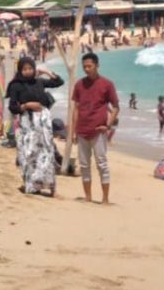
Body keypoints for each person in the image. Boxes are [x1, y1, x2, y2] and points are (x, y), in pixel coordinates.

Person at [7, 56, 64, 196]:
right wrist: (26, 106)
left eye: (30, 68)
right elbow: (12, 107)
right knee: (28, 153)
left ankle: (47, 185)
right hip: (27, 122)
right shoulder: (16, 85)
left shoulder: (39, 82)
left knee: (46, 152)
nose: (27, 71)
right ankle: (30, 185)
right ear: (20, 70)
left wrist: (46, 72)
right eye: (24, 69)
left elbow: (58, 82)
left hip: (43, 122)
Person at [72, 53, 119, 204]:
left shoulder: (107, 84)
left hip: (98, 131)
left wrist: (108, 125)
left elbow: (116, 107)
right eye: (84, 66)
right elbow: (76, 109)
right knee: (84, 165)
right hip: (82, 130)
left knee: (102, 164)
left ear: (97, 65)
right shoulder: (79, 85)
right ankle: (88, 196)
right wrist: (73, 130)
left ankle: (105, 198)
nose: (87, 69)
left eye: (89, 66)